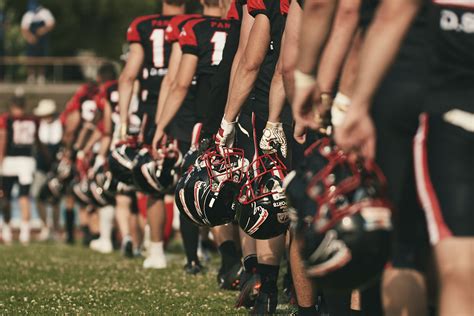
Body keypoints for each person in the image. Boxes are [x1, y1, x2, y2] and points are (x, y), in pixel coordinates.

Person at [335, 0, 474, 315]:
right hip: (444, 93)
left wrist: (353, 103)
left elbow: (391, 12)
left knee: (416, 252)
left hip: (441, 103)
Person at [153, 0, 233, 274]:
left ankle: (194, 259)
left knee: (192, 185)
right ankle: (243, 264)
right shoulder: (240, 24)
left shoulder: (190, 26)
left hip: (199, 118)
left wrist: (160, 124)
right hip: (237, 112)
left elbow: (177, 82)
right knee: (235, 187)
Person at [119, 0, 186, 269]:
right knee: (198, 176)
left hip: (151, 107)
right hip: (189, 107)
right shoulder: (193, 24)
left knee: (154, 181)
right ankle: (201, 251)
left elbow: (127, 77)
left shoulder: (142, 25)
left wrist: (123, 121)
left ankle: (156, 249)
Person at [0, 96, 38, 245]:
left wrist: (1, 158)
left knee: (6, 196)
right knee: (24, 196)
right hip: (27, 161)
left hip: (10, 160)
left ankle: (8, 230)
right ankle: (24, 232)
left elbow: (3, 138)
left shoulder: (7, 119)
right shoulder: (33, 120)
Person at [33, 99, 63, 241]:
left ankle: (56, 229)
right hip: (41, 166)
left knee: (55, 198)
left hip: (56, 166)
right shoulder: (38, 126)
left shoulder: (60, 125)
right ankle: (45, 226)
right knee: (38, 195)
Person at [21, 0, 55, 84]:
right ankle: (31, 76)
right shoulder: (28, 14)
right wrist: (30, 37)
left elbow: (51, 24)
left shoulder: (45, 12)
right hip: (31, 39)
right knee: (30, 57)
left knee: (42, 56)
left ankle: (41, 76)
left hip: (42, 39)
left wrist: (43, 30)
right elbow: (23, 28)